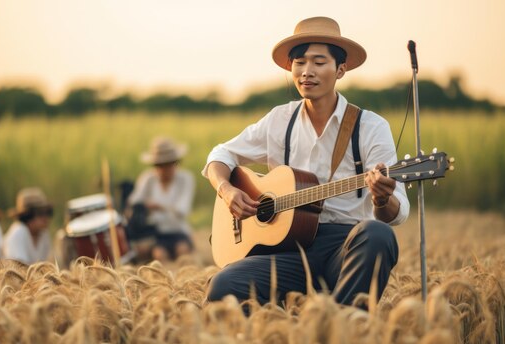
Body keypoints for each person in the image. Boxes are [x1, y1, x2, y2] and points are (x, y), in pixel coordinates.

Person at [203, 17, 410, 308]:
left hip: (346, 246)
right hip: (287, 250)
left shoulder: (370, 126)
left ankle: (339, 330)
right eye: (299, 63)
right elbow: (220, 155)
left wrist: (381, 199)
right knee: (224, 284)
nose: (307, 72)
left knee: (378, 235)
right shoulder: (279, 120)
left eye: (318, 62)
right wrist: (227, 189)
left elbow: (396, 213)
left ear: (340, 70)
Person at [127, 137, 195, 262]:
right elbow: (134, 201)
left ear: (176, 163)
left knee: (182, 252)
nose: (165, 169)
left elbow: (183, 210)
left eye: (169, 164)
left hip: (179, 231)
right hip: (156, 234)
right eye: (161, 165)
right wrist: (144, 206)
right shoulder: (148, 179)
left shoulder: (186, 179)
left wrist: (158, 207)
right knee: (159, 255)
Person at [3, 187, 53, 264]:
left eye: (48, 212)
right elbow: (21, 270)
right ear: (28, 216)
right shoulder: (18, 233)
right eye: (41, 213)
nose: (45, 217)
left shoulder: (44, 234)